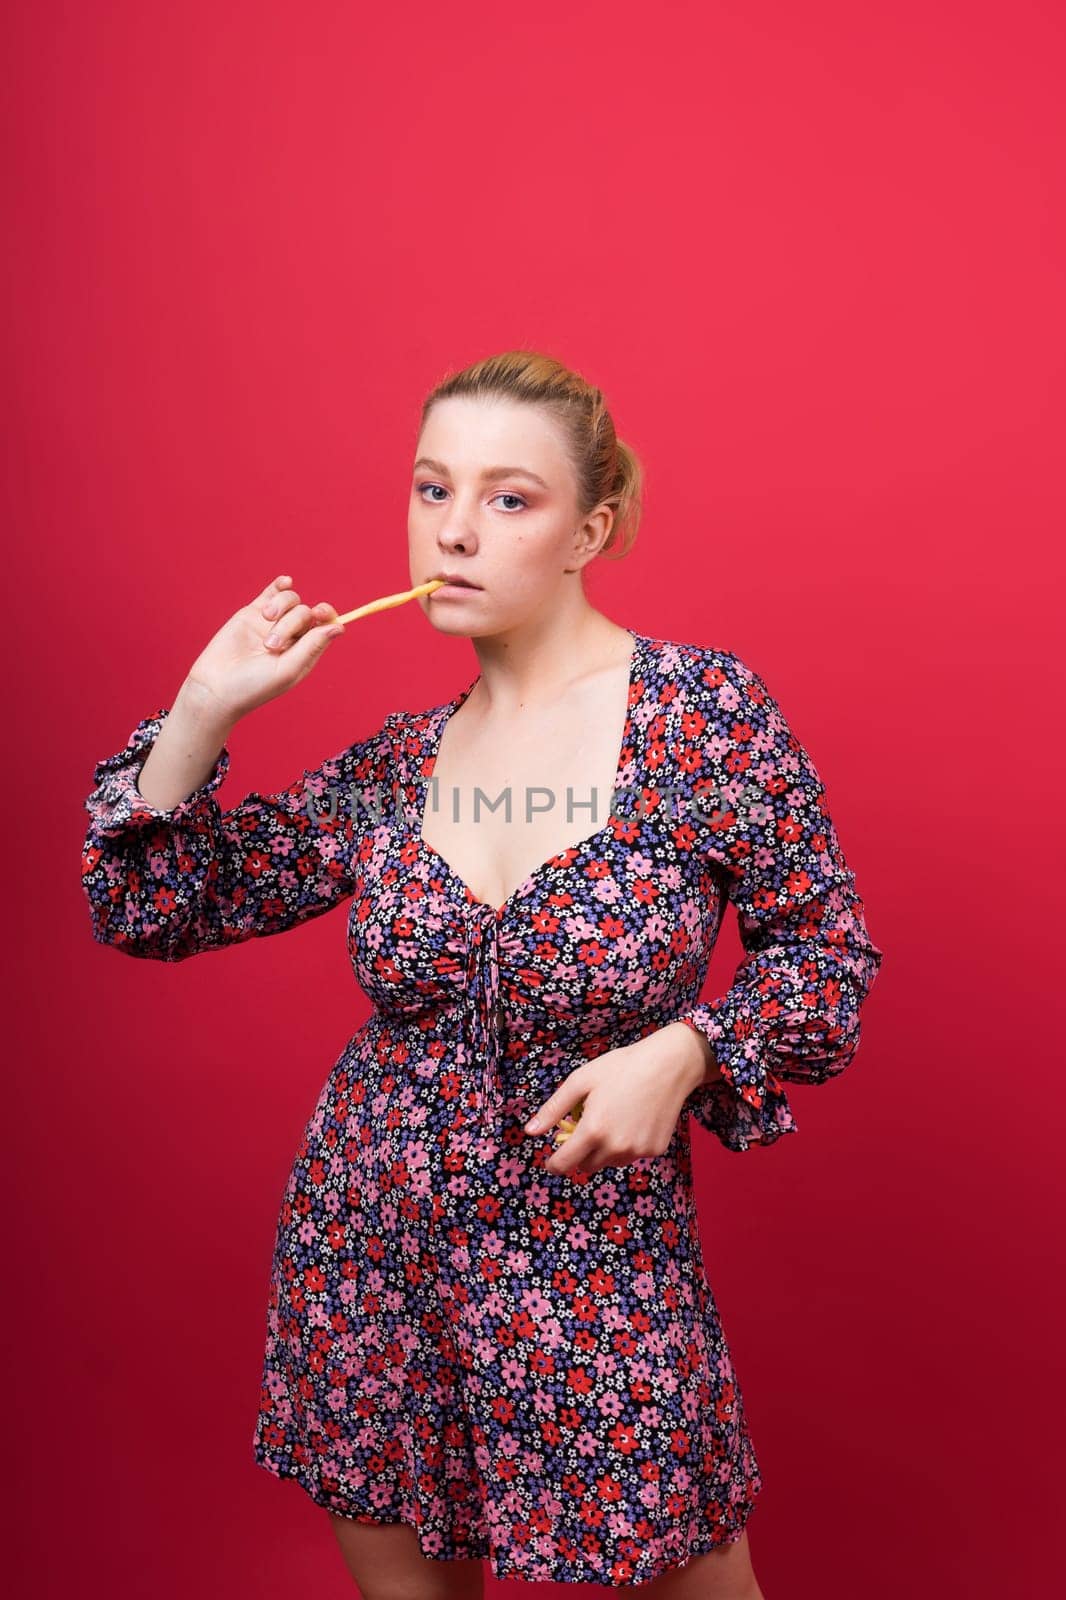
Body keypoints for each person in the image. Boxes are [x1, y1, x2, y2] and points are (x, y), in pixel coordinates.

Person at [81, 349, 883, 1598]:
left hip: (594, 1257)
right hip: (368, 1254)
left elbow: (828, 959)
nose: (451, 534)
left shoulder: (701, 715)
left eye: (508, 498)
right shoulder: (397, 766)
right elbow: (149, 905)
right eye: (428, 490)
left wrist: (688, 1050)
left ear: (591, 528)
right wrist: (202, 709)